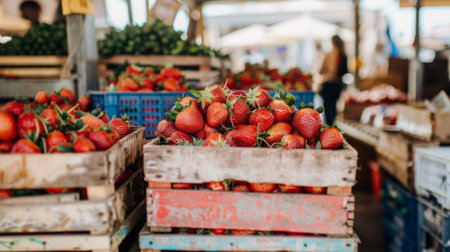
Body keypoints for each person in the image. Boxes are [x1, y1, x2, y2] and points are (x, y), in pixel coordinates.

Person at [319, 35, 348, 125]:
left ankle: (329, 127)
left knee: (328, 108)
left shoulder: (329, 54)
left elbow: (321, 70)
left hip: (329, 84)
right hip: (337, 85)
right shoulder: (343, 55)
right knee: (333, 107)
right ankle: (333, 127)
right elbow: (345, 71)